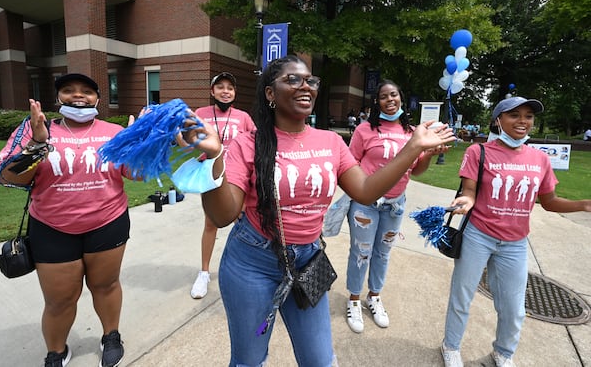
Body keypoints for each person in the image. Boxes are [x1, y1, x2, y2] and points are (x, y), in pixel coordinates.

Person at [177, 55, 455, 366]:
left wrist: (413, 148)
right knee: (249, 360)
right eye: (293, 80)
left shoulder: (332, 142)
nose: (305, 86)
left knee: (320, 360)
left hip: (309, 261)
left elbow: (366, 190)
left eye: (310, 80)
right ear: (270, 93)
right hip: (251, 265)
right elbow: (222, 216)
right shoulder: (249, 142)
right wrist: (215, 157)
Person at [0, 73, 136, 367]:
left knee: (106, 286)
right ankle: (56, 351)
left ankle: (111, 336)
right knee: (60, 301)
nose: (78, 96)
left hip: (107, 223)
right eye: (68, 91)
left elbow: (136, 174)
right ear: (58, 99)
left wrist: (139, 146)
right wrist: (37, 144)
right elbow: (5, 176)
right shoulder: (36, 129)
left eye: (87, 91)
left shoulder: (113, 131)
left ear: (98, 98)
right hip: (52, 228)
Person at [440, 96, 591, 367]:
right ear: (498, 120)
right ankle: (451, 346)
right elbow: (470, 192)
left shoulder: (540, 159)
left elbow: (549, 201)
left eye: (528, 116)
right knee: (462, 296)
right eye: (515, 115)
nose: (523, 121)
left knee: (513, 308)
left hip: (515, 243)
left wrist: (582, 204)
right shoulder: (478, 152)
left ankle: (503, 352)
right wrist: (466, 201)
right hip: (478, 235)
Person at [345, 79, 448, 334]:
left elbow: (416, 171)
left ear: (401, 98)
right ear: (376, 102)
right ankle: (354, 300)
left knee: (383, 253)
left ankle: (375, 296)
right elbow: (350, 164)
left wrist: (429, 155)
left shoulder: (413, 132)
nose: (390, 100)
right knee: (362, 252)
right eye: (383, 96)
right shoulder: (364, 130)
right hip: (366, 205)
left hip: (395, 205)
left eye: (394, 95)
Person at [190, 72, 255, 299]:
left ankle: (245, 271)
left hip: (238, 177)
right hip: (210, 175)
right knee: (211, 223)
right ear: (212, 91)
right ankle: (204, 272)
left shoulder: (244, 117)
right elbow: (191, 141)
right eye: (220, 87)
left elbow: (254, 145)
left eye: (230, 88)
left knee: (246, 224)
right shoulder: (201, 114)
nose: (225, 91)